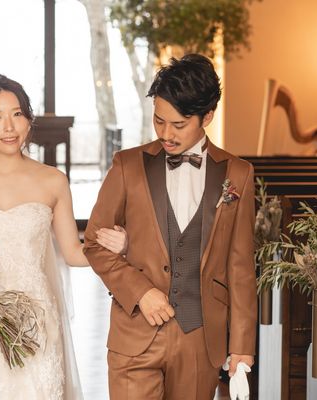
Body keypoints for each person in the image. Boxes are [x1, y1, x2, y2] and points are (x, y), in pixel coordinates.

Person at [0, 75, 128, 400]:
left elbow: (74, 253)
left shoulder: (53, 181)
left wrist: (119, 247)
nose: (9, 127)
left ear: (29, 120)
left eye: (17, 114)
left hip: (36, 319)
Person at [84, 54, 257, 399]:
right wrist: (140, 291)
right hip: (135, 335)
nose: (166, 133)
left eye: (178, 125)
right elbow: (93, 243)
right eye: (159, 120)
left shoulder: (237, 174)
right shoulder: (127, 166)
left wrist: (241, 345)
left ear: (207, 116)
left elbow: (240, 268)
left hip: (199, 339)